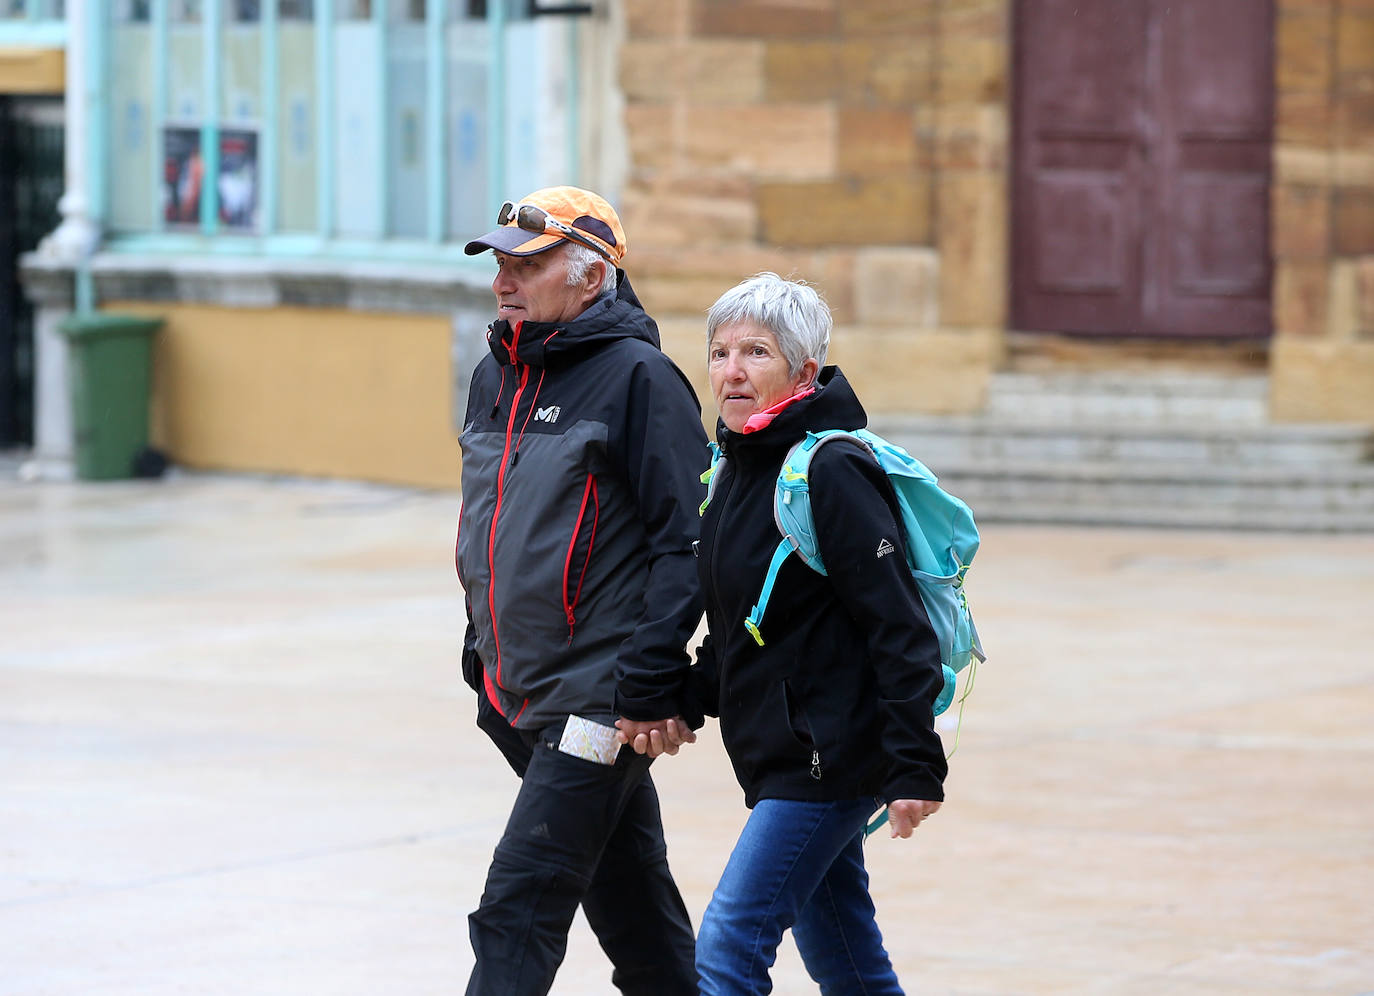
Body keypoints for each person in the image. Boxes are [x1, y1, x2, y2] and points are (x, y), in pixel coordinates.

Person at [625, 272, 949, 995]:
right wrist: (678, 697)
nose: (731, 371)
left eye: (756, 353)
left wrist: (913, 764)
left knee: (727, 949)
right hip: (786, 751)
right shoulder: (735, 465)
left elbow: (899, 629)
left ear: (803, 371)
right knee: (847, 958)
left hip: (828, 757)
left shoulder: (831, 470)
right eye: (719, 351)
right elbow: (748, 628)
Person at [455, 186, 707, 996]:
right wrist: (478, 655)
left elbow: (689, 543)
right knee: (633, 903)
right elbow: (491, 525)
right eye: (499, 263)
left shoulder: (642, 380)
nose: (503, 282)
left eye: (525, 265)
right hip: (516, 693)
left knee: (517, 907)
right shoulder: (497, 373)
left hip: (599, 700)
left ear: (591, 277)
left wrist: (646, 678)